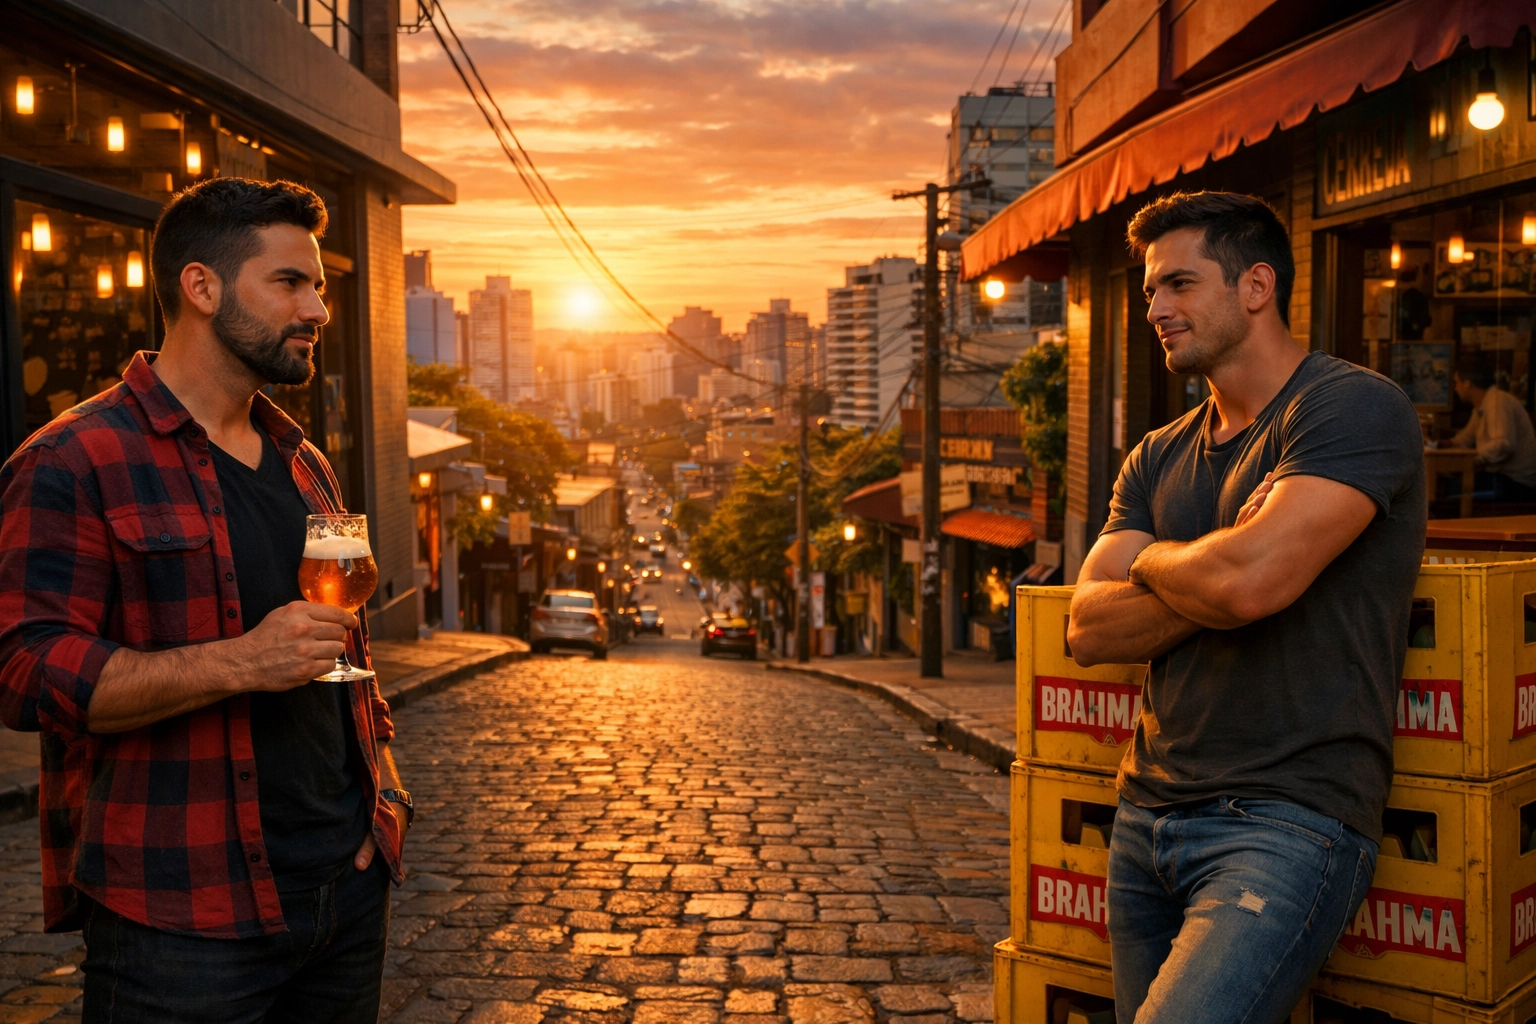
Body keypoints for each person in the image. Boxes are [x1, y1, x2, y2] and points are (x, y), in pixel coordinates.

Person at [0, 178, 411, 1022]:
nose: (319, 310)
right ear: (202, 288)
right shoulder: (74, 458)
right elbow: (24, 669)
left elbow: (346, 654)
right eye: (291, 283)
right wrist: (239, 662)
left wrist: (382, 809)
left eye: (322, 287)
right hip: (181, 921)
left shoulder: (304, 461)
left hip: (344, 894)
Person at [1067, 191, 1425, 1023]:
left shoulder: (1349, 408)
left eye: (1181, 285)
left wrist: (1163, 565)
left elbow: (1250, 585)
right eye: (1152, 289)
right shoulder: (1157, 455)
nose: (1156, 308)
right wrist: (1226, 562)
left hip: (1289, 819)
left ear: (1256, 286)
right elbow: (1087, 626)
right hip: (1145, 818)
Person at [1449, 362, 1536, 502]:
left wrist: (1474, 461)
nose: (1455, 388)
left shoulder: (1497, 402)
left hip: (1517, 483)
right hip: (1505, 478)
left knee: (1451, 489)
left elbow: (1503, 444)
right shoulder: (1482, 405)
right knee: (1448, 483)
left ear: (1467, 383)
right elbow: (1465, 439)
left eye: (1456, 382)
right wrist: (1442, 444)